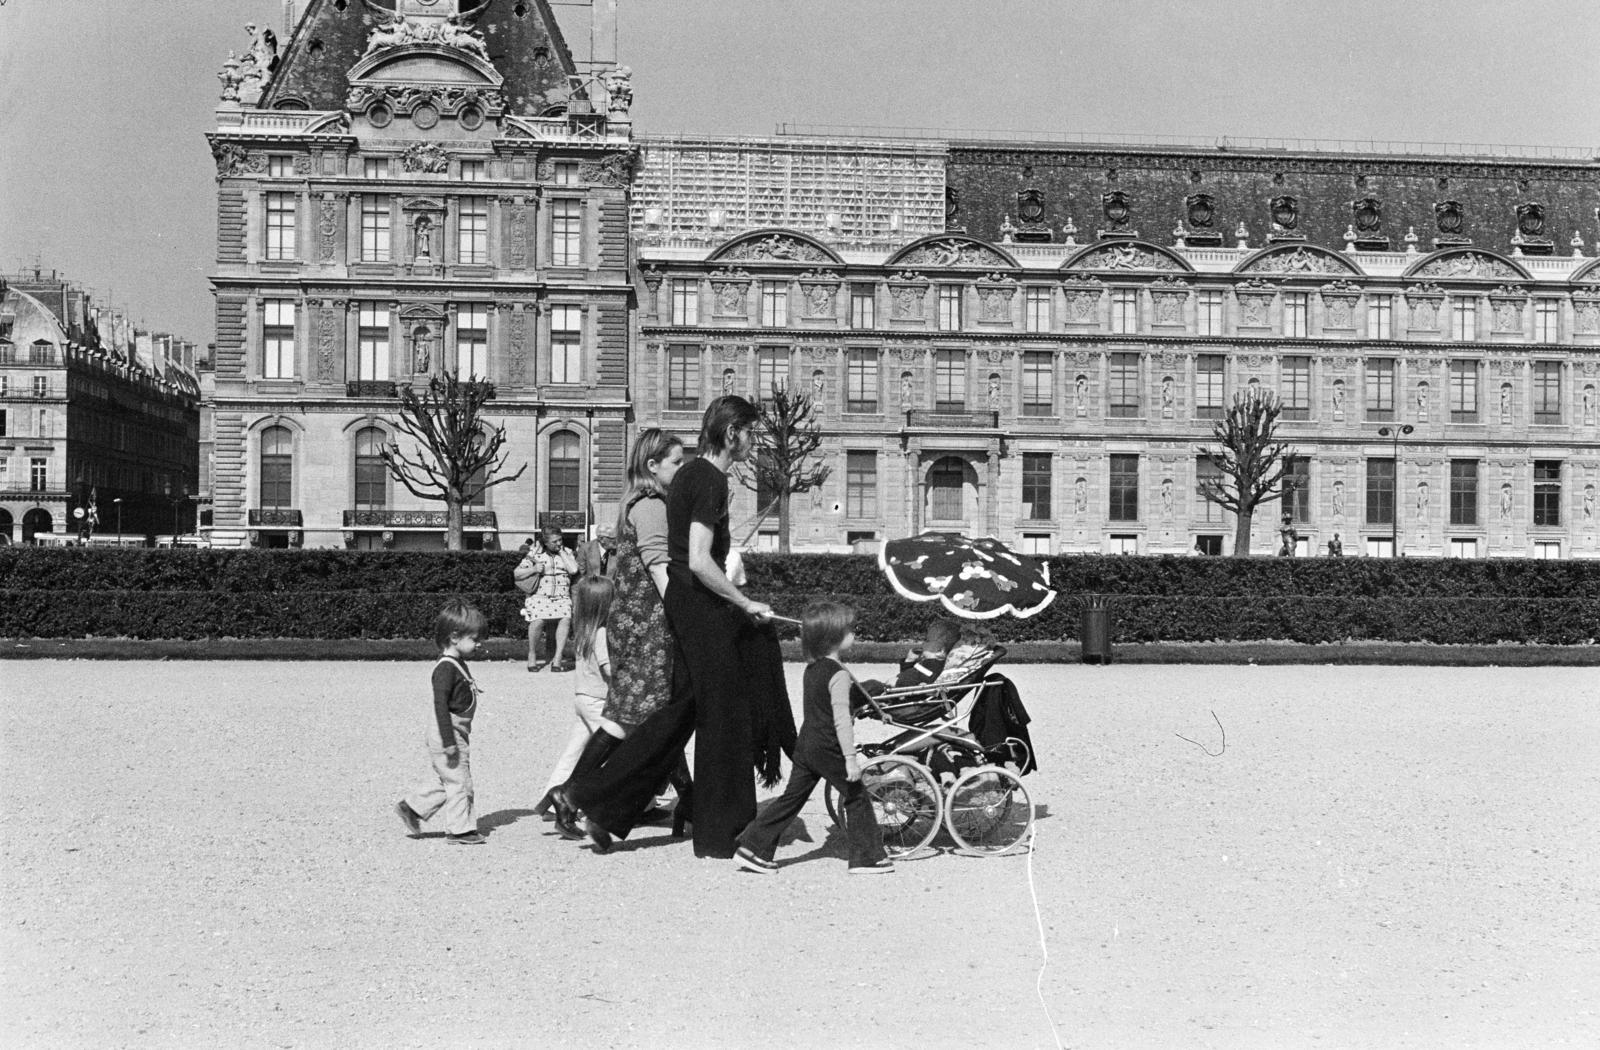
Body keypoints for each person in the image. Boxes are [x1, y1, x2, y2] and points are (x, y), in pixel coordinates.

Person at [567, 396, 795, 859]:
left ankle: (598, 802)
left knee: (681, 711)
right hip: (700, 607)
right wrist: (744, 601)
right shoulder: (709, 480)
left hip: (686, 605)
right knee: (725, 715)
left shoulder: (689, 474)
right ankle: (721, 832)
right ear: (731, 433)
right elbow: (696, 559)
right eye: (750, 432)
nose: (754, 441)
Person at [546, 430, 688, 825]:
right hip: (648, 627)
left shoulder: (635, 503)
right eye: (676, 462)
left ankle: (571, 793)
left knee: (635, 716)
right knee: (654, 718)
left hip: (633, 623)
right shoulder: (652, 505)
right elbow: (659, 568)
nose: (682, 469)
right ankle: (575, 794)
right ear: (652, 465)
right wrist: (684, 614)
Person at [734, 601, 892, 875]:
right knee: (856, 796)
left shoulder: (814, 669)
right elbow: (841, 721)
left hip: (806, 745)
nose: (855, 634)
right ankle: (866, 858)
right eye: (850, 630)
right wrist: (851, 760)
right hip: (827, 747)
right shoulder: (839, 674)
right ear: (834, 638)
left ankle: (752, 847)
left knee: (790, 800)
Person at [395, 601, 488, 846]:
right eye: (475, 639)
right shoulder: (445, 669)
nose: (480, 644)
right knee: (460, 782)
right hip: (447, 733)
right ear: (455, 637)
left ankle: (412, 807)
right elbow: (440, 708)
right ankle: (460, 830)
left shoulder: (457, 663)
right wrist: (449, 741)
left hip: (456, 733)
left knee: (448, 778)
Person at [540, 575, 616, 838]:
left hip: (582, 697)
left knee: (575, 751)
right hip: (599, 701)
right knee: (614, 751)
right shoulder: (603, 633)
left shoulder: (584, 629)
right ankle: (596, 802)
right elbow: (608, 669)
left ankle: (550, 797)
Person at [518, 524, 578, 672]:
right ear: (545, 543)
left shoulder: (567, 552)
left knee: (566, 618)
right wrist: (533, 569)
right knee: (538, 620)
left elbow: (574, 570)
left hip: (562, 596)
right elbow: (517, 574)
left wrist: (562, 552)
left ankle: (557, 659)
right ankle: (532, 654)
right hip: (539, 596)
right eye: (555, 541)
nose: (559, 543)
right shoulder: (534, 554)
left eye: (560, 540)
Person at [895, 620, 961, 688]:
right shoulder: (928, 665)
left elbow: (920, 685)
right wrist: (909, 661)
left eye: (927, 641)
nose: (923, 643)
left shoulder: (933, 668)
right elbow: (909, 675)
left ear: (941, 650)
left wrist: (898, 682)